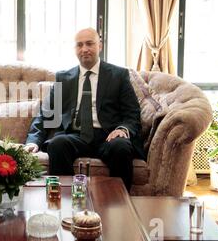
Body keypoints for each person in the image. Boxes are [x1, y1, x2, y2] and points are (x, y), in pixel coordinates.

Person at [24, 28, 145, 192]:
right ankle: (67, 202)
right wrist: (33, 141)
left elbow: (132, 112)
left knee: (122, 147)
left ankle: (119, 205)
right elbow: (46, 115)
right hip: (76, 135)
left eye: (90, 43)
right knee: (57, 144)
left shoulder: (118, 75)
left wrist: (122, 129)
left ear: (100, 46)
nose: (84, 49)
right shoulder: (64, 78)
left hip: (108, 136)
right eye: (79, 45)